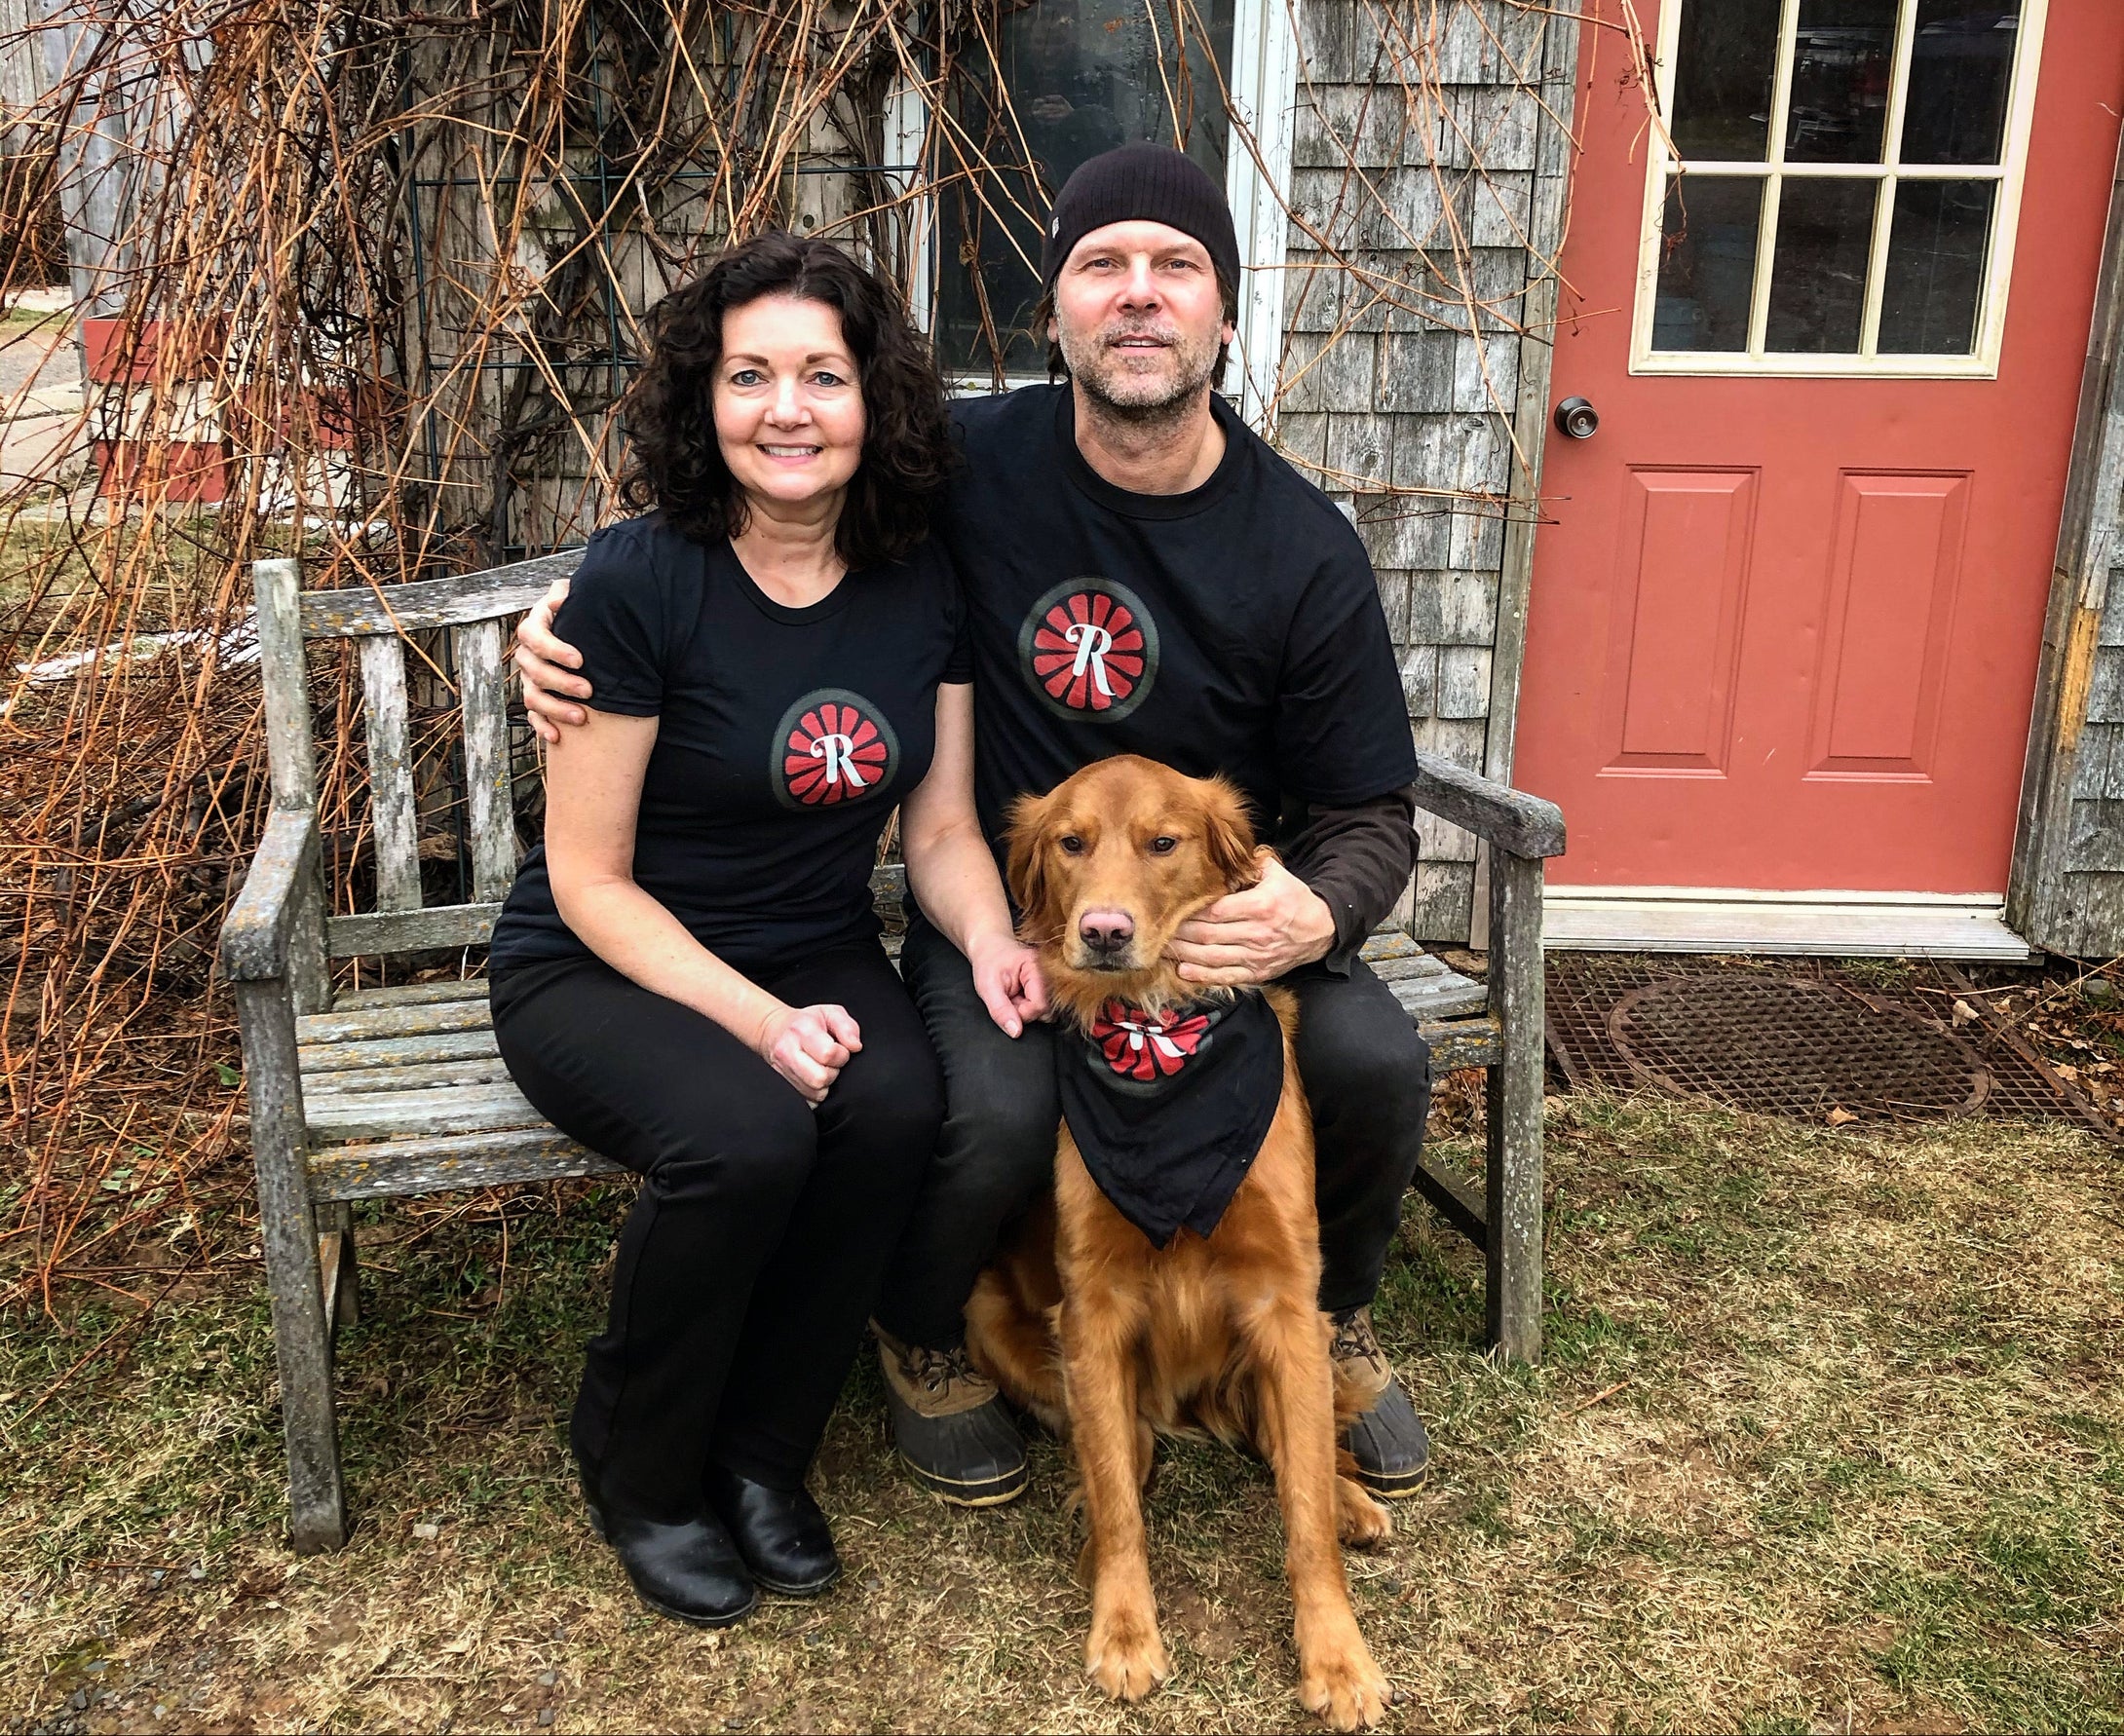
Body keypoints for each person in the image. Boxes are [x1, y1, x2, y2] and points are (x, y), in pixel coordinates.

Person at [514, 144, 1434, 1511]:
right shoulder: (964, 466)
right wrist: (565, 626)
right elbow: (769, 496)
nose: (1138, 294)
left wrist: (1319, 907)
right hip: (1019, 907)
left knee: (1375, 1059)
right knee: (989, 1109)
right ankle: (925, 1326)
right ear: (1053, 311)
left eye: (1176, 266)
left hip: (1210, 917)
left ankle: (1322, 1309)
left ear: (1226, 313)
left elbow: (1371, 808)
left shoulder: (1302, 546)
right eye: (1101, 265)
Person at [486, 233, 1044, 1628]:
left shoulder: (919, 581)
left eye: (822, 376)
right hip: (603, 959)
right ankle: (639, 1461)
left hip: (808, 939)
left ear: (875, 400)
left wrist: (988, 941)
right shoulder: (639, 581)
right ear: (705, 397)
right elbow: (589, 879)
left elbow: (941, 833)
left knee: (896, 1104)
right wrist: (759, 1022)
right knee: (747, 1137)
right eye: (748, 376)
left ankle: (761, 1452)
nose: (786, 410)